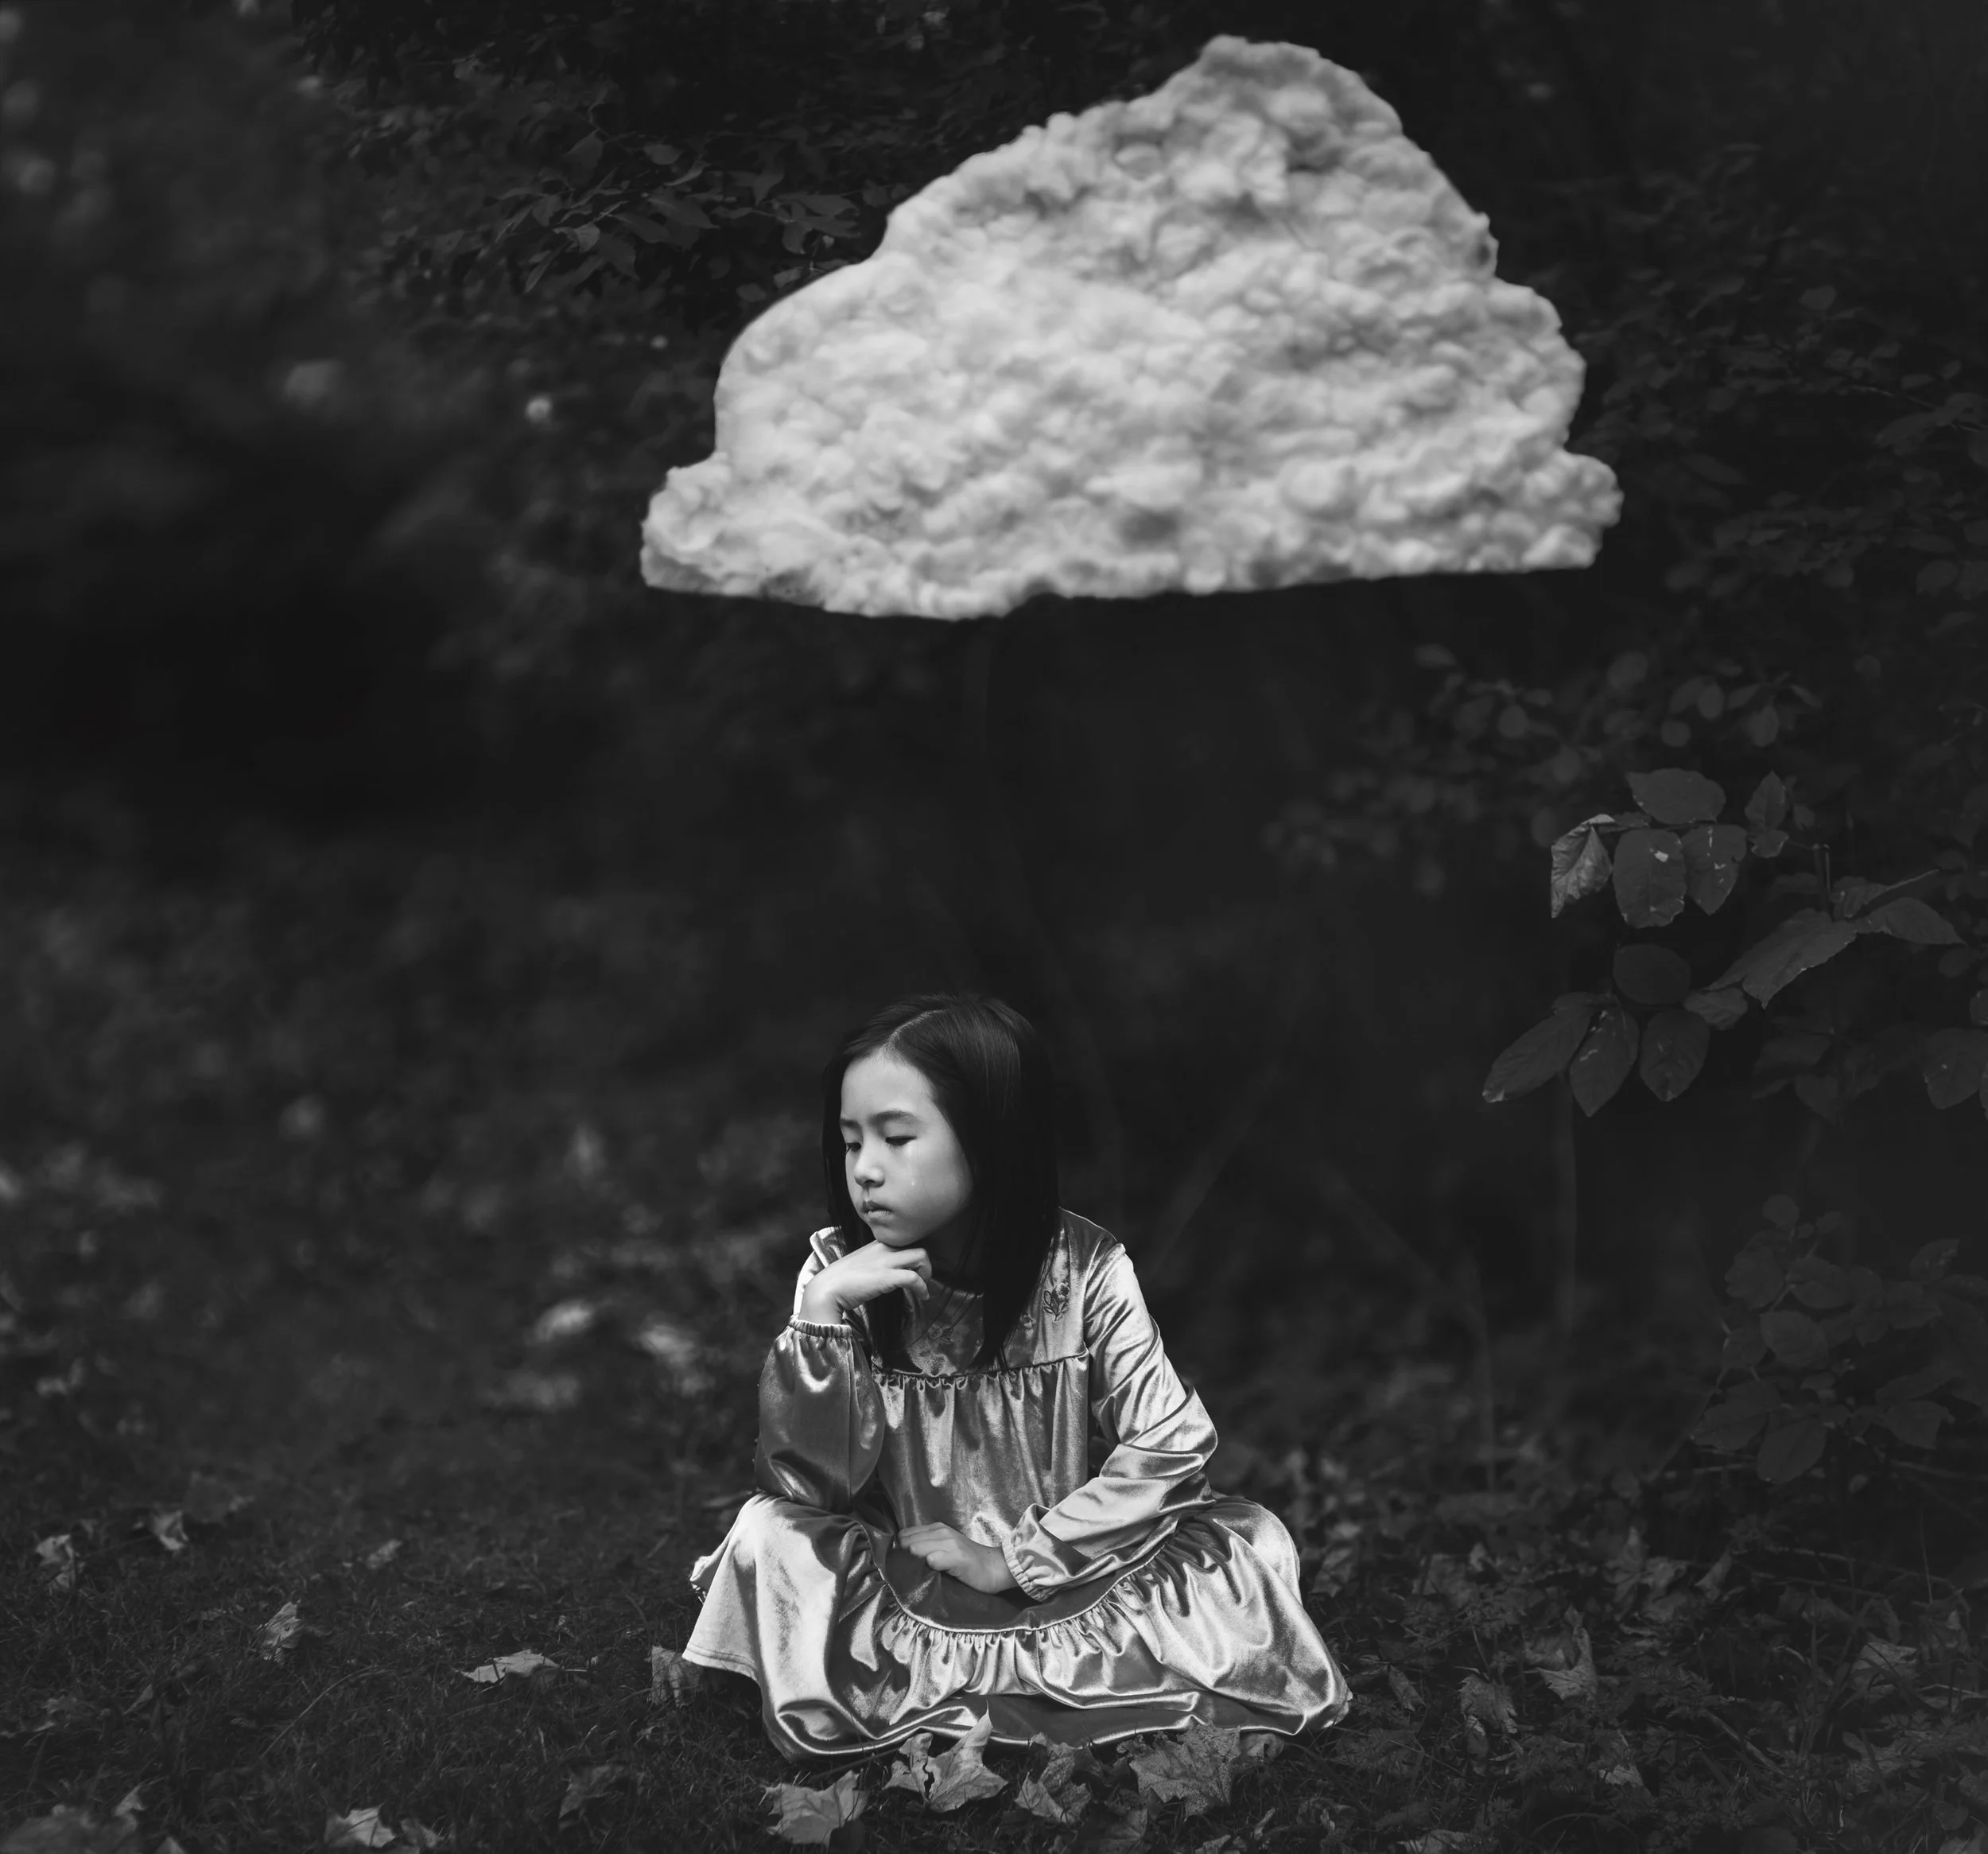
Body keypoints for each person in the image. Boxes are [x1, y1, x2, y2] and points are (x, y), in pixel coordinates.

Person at [679, 992, 1349, 1761]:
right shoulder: (837, 1274)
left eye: (898, 1138)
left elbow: (1170, 1442)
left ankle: (979, 1682)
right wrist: (822, 1314)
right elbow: (808, 1490)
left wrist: (1013, 1560)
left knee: (1249, 1539)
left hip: (1061, 1570)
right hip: (904, 1571)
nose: (864, 1170)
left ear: (991, 1142)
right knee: (770, 1534)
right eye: (850, 1139)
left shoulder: (1085, 1267)